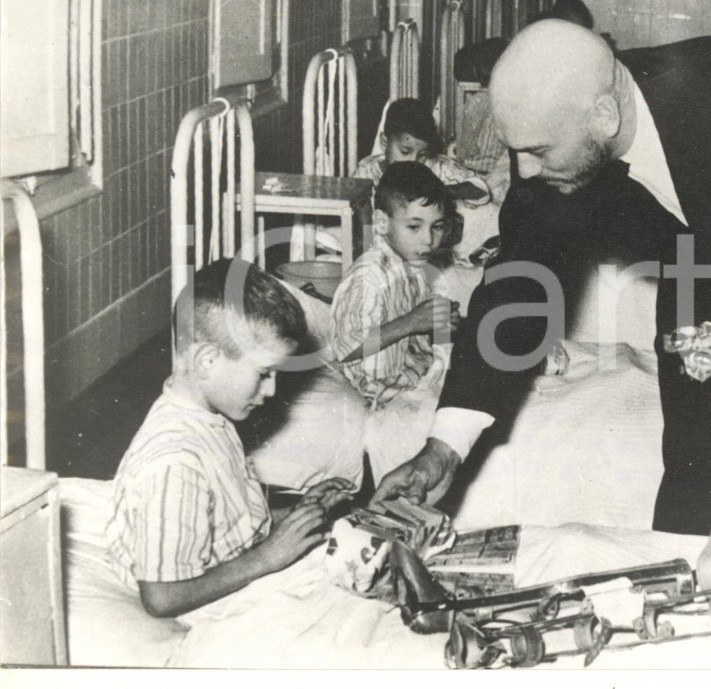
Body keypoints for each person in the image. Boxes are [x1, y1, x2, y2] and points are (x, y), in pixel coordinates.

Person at [373, 20, 711, 550]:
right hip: (705, 267)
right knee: (698, 462)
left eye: (538, 150)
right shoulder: (553, 152)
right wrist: (442, 449)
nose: (526, 172)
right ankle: (694, 594)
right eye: (518, 151)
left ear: (604, 115)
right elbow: (515, 290)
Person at [106, 259, 356, 617]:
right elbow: (161, 598)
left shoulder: (210, 418)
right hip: (209, 605)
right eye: (264, 373)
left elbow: (228, 516)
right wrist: (268, 557)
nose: (271, 390)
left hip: (242, 564)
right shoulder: (175, 462)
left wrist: (295, 514)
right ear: (206, 361)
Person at [329, 162, 460, 410]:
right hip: (376, 394)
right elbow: (347, 348)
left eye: (437, 227)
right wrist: (412, 321)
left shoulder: (418, 265)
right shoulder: (368, 277)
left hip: (412, 376)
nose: (429, 240)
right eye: (414, 227)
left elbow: (420, 330)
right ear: (381, 222)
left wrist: (440, 323)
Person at [352, 97, 492, 204]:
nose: (414, 161)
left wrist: (438, 191)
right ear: (384, 142)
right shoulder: (367, 172)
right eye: (405, 152)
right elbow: (358, 215)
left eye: (422, 155)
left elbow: (480, 189)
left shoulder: (437, 166)